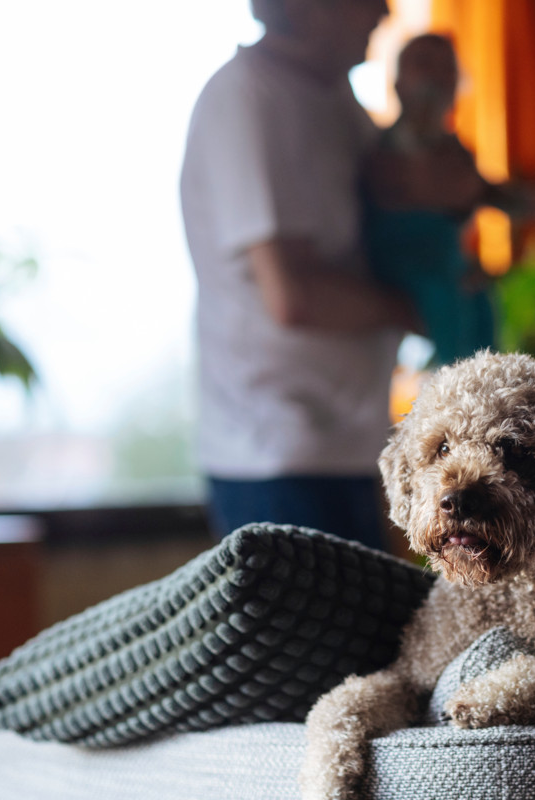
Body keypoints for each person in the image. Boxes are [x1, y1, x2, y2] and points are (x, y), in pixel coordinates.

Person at [180, 0, 416, 550]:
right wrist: (425, 309)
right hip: (277, 457)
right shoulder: (247, 98)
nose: (382, 12)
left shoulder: (334, 98)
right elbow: (294, 296)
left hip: (343, 444)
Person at [363, 33, 535, 367]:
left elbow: (479, 191)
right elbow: (433, 188)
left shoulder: (456, 149)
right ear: (399, 84)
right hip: (406, 256)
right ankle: (455, 395)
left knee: (482, 305)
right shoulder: (390, 147)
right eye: (424, 65)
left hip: (448, 255)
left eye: (447, 69)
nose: (436, 77)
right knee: (447, 305)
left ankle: (485, 384)